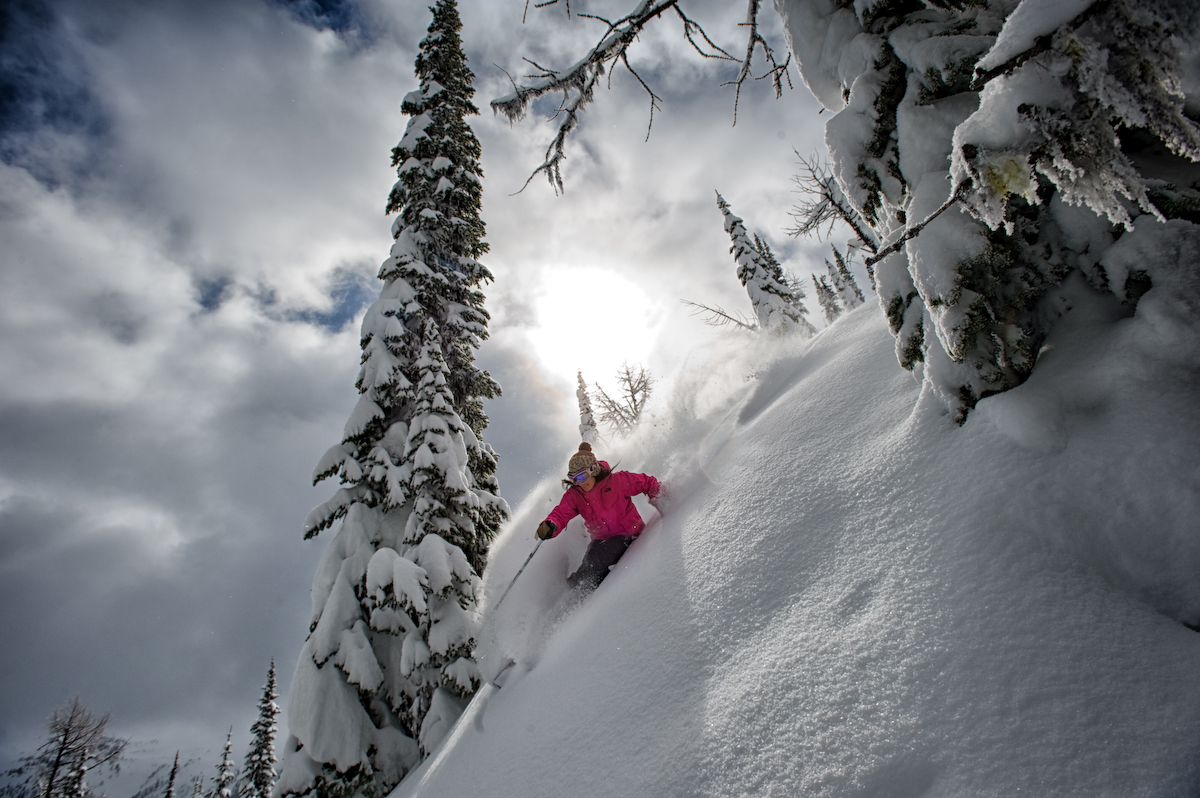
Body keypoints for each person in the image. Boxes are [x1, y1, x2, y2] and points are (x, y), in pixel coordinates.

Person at [535, 442, 661, 592]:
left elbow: (646, 483)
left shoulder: (616, 481)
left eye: (582, 476)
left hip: (629, 534)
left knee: (596, 561)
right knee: (589, 560)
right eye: (574, 478)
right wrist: (551, 524)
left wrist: (662, 499)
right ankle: (573, 589)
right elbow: (561, 512)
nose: (579, 483)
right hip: (600, 539)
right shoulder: (575, 495)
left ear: (593, 470)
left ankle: (586, 590)